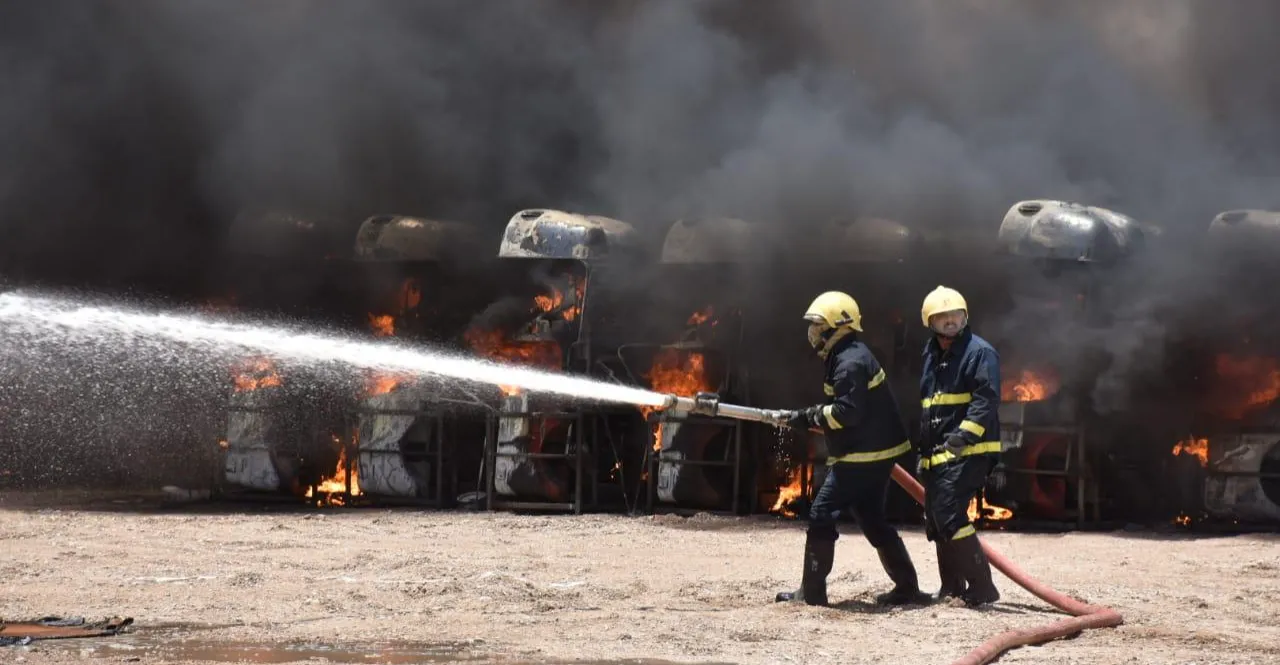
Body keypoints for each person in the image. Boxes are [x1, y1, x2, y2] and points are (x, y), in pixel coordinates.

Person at [775, 291, 928, 607]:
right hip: (872, 451)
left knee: (821, 512)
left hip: (862, 454)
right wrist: (811, 416)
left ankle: (812, 594)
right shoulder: (847, 355)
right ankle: (907, 588)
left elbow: (847, 412)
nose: (813, 333)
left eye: (818, 326)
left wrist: (811, 415)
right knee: (871, 518)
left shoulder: (849, 362)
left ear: (838, 327)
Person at [916, 285, 1001, 607]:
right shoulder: (931, 355)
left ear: (965, 317)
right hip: (939, 454)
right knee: (937, 520)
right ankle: (951, 588)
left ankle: (982, 587)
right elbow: (931, 405)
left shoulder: (980, 353)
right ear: (930, 322)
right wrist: (924, 451)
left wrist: (964, 436)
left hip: (969, 451)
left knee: (950, 515)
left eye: (956, 316)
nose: (950, 322)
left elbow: (986, 399)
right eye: (943, 318)